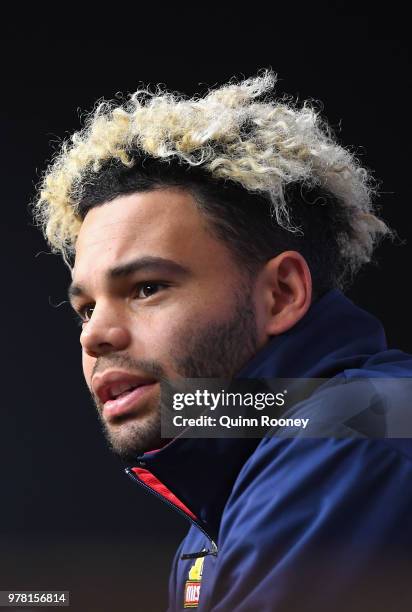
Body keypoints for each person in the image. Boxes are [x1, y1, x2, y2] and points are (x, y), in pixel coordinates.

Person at [31, 71, 412, 611]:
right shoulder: (228, 490)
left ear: (281, 294)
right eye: (86, 308)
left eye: (146, 288)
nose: (94, 335)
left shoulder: (354, 431)